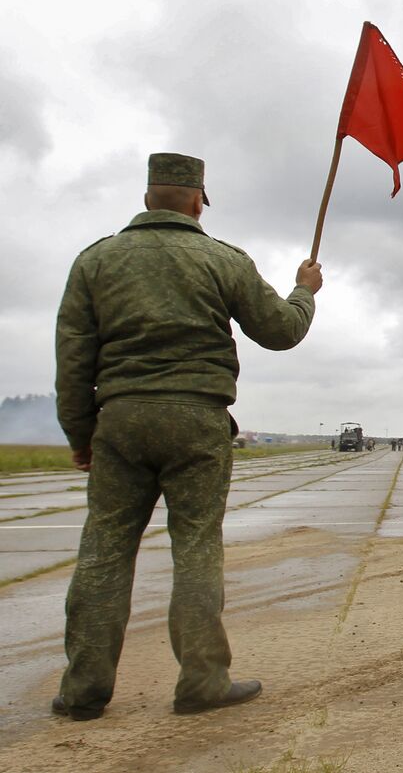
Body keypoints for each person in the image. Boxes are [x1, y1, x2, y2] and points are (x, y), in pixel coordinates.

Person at [53, 153, 321, 721]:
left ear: (148, 198)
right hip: (198, 419)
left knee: (103, 551)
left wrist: (81, 435)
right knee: (196, 549)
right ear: (199, 200)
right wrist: (305, 290)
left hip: (119, 420)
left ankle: (82, 690)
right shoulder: (221, 259)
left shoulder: (95, 261)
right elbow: (281, 332)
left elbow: (73, 360)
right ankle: (202, 681)